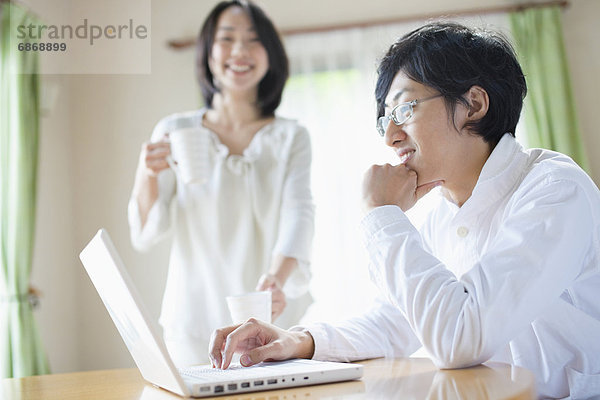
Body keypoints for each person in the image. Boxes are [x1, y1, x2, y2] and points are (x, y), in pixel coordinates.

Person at [208, 22, 600, 399]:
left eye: (405, 109)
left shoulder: (553, 191)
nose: (392, 137)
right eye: (386, 121)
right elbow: (393, 323)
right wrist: (298, 340)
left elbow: (461, 338)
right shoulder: (441, 213)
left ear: (474, 104)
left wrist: (382, 216)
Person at [128, 0, 314, 367]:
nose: (240, 51)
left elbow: (300, 212)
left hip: (269, 323)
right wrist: (147, 175)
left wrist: (277, 279)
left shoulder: (291, 136)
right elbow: (146, 234)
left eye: (253, 40)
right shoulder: (175, 130)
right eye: (227, 39)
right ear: (209, 54)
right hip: (192, 322)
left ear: (270, 54)